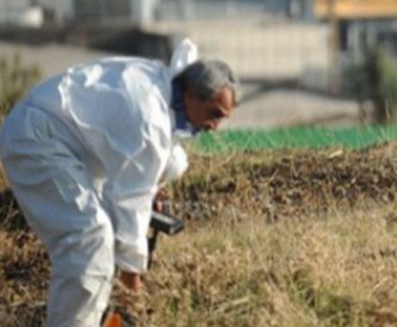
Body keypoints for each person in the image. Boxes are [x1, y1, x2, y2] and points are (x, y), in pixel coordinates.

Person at [0, 39, 239, 326]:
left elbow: (150, 166)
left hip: (64, 143)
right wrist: (132, 280)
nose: (215, 127)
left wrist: (150, 184)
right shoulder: (151, 120)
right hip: (38, 142)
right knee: (89, 239)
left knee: (169, 167)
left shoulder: (162, 90)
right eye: (214, 114)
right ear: (191, 96)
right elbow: (130, 201)